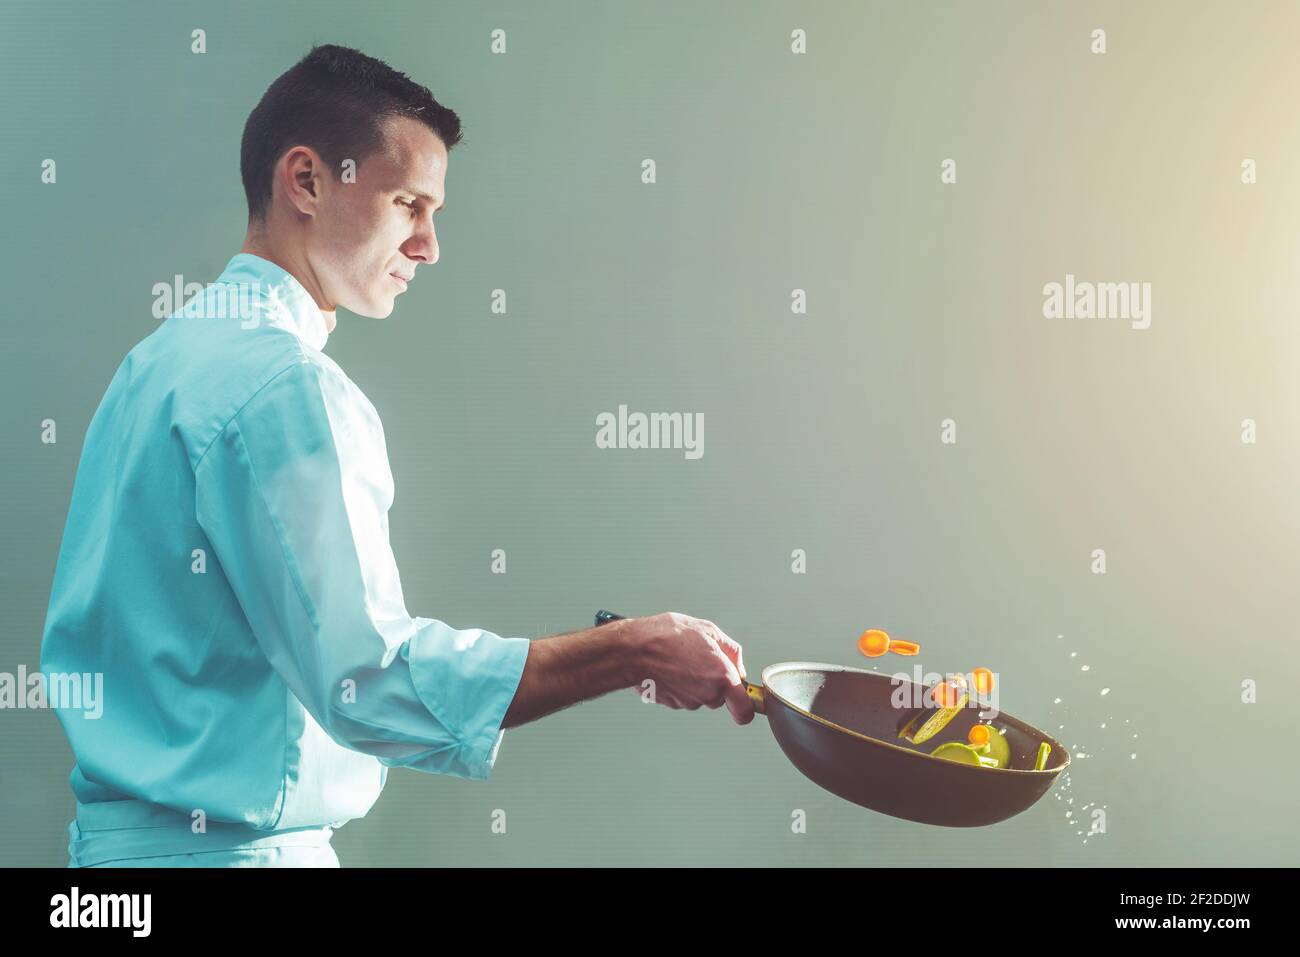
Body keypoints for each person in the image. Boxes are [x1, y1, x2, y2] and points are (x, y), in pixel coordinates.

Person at [39, 43, 754, 869]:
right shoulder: (285, 387)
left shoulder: (156, 364)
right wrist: (628, 649)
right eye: (409, 202)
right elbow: (368, 681)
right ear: (305, 179)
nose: (428, 246)